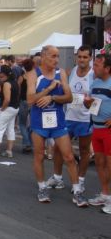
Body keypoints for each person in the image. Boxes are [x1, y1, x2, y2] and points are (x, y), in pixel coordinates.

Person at [26, 45, 88, 207]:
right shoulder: (34, 74)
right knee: (39, 156)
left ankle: (77, 191)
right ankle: (42, 188)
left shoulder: (61, 73)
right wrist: (48, 89)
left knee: (69, 156)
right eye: (53, 56)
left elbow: (68, 97)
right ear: (44, 56)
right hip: (39, 122)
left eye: (58, 56)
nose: (56, 60)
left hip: (58, 121)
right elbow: (30, 100)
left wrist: (52, 98)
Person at [47, 45, 94, 192]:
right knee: (57, 148)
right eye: (79, 56)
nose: (81, 59)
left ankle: (80, 181)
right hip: (68, 117)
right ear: (76, 57)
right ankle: (57, 178)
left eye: (85, 57)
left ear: (90, 58)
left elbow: (97, 99)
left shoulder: (94, 75)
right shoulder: (72, 71)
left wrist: (90, 107)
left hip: (85, 119)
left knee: (84, 151)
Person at [83, 54, 111, 214]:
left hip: (109, 131)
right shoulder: (95, 83)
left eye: (98, 65)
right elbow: (90, 106)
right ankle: (105, 194)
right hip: (97, 128)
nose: (94, 68)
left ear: (107, 68)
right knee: (100, 163)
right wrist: (87, 103)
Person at [19, 58, 34, 154]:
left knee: (22, 123)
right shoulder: (35, 77)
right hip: (33, 101)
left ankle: (27, 143)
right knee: (32, 124)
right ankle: (30, 142)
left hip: (23, 101)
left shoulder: (22, 77)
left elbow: (18, 90)